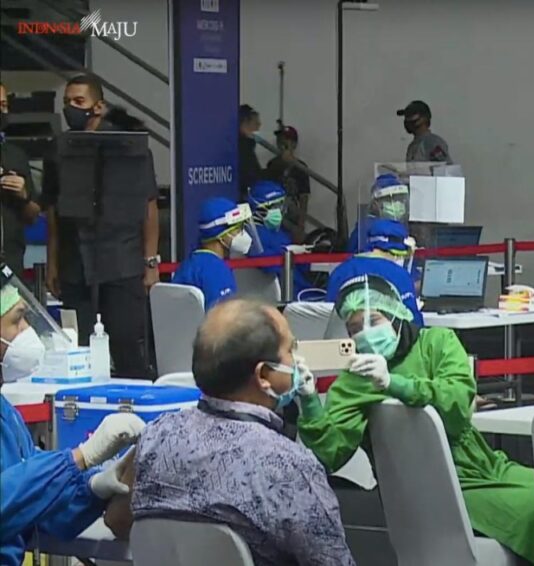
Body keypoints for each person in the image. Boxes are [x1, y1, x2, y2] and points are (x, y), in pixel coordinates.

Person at [298, 275, 534, 565]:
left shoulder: (437, 343)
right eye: (354, 329)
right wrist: (310, 401)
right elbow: (331, 453)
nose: (365, 334)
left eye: (373, 321)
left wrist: (395, 384)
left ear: (396, 315)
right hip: (433, 491)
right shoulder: (355, 380)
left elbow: (457, 403)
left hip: (488, 466)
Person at [122, 298, 355, 566]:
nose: (297, 360)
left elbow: (119, 521)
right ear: (264, 375)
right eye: (291, 350)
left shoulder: (155, 437)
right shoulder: (290, 466)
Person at [1, 265, 144, 565]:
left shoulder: (5, 413)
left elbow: (37, 506)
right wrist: (80, 458)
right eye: (16, 321)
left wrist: (92, 488)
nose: (26, 330)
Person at [42, 74, 159, 378]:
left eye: (79, 101)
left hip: (122, 261)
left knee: (126, 345)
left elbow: (148, 206)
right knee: (76, 348)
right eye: (67, 102)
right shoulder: (58, 149)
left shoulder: (129, 147)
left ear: (98, 105)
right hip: (75, 265)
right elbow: (53, 210)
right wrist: (53, 262)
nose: (71, 107)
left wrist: (151, 261)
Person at [327, 220, 424, 328]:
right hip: (386, 337)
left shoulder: (340, 271)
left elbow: (329, 314)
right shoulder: (400, 275)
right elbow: (414, 323)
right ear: (397, 252)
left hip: (345, 337)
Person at [171, 197, 257, 311]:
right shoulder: (217, 270)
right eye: (238, 229)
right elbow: (225, 317)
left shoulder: (188, 264)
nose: (243, 234)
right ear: (222, 234)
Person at [0, 82, 42, 278]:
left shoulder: (15, 156)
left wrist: (23, 196)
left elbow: (31, 216)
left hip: (10, 263)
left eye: (3, 105)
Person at [246, 180, 312, 294]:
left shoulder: (279, 232)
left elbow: (302, 268)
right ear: (260, 208)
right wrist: (286, 251)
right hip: (286, 294)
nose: (280, 210)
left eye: (281, 205)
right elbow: (263, 262)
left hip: (302, 289)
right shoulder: (253, 235)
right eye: (275, 206)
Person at [264, 126, 310, 241]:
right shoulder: (272, 165)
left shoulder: (301, 168)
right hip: (274, 215)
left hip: (292, 218)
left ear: (294, 144)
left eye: (286, 140)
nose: (281, 143)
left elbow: (304, 198)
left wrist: (301, 226)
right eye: (279, 140)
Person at [344, 174, 410, 253]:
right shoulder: (368, 227)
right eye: (390, 200)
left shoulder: (364, 227)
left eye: (400, 200)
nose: (398, 204)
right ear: (376, 204)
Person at [238, 104, 263, 199]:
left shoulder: (247, 146)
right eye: (256, 124)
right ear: (245, 123)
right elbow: (252, 175)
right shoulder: (243, 148)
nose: (258, 128)